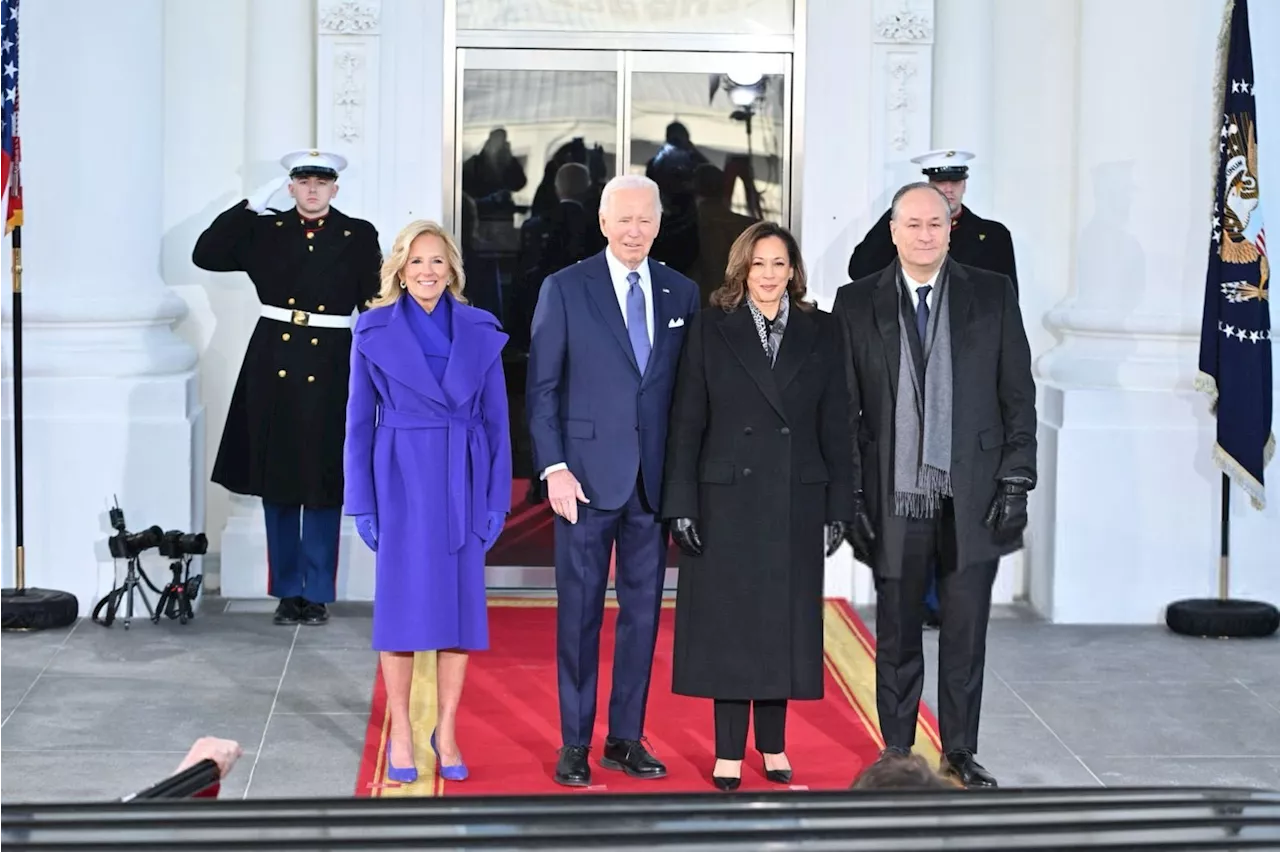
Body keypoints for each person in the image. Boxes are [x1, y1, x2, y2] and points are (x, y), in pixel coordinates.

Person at [832, 182, 1036, 789]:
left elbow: (1017, 394)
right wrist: (853, 494)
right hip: (892, 491)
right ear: (892, 231)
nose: (925, 234)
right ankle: (896, 749)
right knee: (896, 626)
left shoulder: (992, 294)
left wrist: (1017, 475)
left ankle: (960, 753)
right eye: (913, 224)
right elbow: (843, 409)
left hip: (975, 490)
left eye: (936, 224)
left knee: (966, 626)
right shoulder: (854, 302)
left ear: (951, 228)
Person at [661, 221, 853, 790]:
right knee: (731, 624)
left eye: (779, 264)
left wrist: (840, 501)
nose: (768, 275)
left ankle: (772, 746)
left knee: (782, 625)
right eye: (759, 264)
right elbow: (686, 422)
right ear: (740, 269)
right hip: (725, 499)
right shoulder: (708, 329)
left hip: (796, 495)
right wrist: (681, 503)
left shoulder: (823, 331)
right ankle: (726, 750)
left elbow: (837, 423)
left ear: (794, 270)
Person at [526, 174, 700, 787]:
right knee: (578, 615)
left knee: (644, 615)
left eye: (645, 220)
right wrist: (553, 468)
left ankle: (625, 737)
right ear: (603, 223)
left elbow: (689, 398)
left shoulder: (683, 293)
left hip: (652, 486)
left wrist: (685, 481)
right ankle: (574, 741)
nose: (634, 230)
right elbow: (542, 389)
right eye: (623, 219)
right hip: (583, 480)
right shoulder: (565, 288)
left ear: (658, 223)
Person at [344, 220, 512, 785]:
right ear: (398, 268)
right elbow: (357, 427)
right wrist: (362, 502)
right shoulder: (371, 330)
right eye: (416, 261)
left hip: (463, 478)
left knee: (459, 618)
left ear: (452, 269)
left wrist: (496, 500)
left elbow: (497, 426)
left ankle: (446, 729)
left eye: (437, 261)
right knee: (400, 615)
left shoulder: (479, 329)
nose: (427, 272)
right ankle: (398, 732)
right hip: (401, 481)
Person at [193, 150, 382, 627]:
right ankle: (286, 590)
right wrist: (252, 205)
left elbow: (374, 303)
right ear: (291, 187)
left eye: (322, 181)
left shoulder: (357, 234)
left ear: (335, 188)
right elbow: (206, 253)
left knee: (321, 480)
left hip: (333, 360)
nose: (313, 189)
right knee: (277, 480)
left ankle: (316, 591)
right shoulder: (265, 231)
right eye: (303, 181)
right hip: (272, 359)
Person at [847, 149, 1019, 630]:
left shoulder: (990, 237)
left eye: (954, 183)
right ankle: (920, 602)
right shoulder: (904, 229)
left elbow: (1008, 310)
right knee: (912, 514)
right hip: (906, 389)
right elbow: (860, 269)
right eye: (938, 183)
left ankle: (949, 600)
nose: (947, 191)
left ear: (965, 185)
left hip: (964, 397)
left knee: (956, 520)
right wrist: (900, 218)